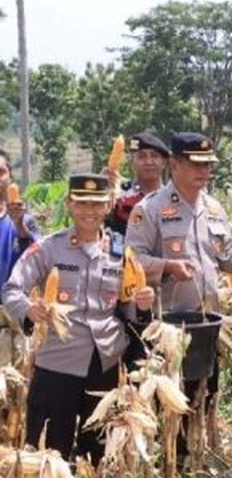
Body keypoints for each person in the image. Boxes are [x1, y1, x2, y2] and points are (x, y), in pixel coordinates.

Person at [125, 133, 232, 448]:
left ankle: (195, 456)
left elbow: (226, 257)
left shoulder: (214, 208)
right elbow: (131, 261)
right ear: (174, 164)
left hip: (207, 322)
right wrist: (168, 266)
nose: (204, 171)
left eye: (208, 165)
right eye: (196, 163)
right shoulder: (150, 209)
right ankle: (167, 461)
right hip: (166, 325)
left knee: (204, 391)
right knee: (168, 397)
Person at [4, 174, 154, 461]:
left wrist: (143, 305)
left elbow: (129, 308)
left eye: (97, 204)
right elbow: (12, 288)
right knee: (48, 449)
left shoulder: (121, 252)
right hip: (58, 360)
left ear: (109, 206)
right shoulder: (49, 248)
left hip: (105, 362)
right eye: (82, 203)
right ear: (69, 205)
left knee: (98, 450)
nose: (90, 211)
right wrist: (28, 309)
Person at [105, 132, 171, 237]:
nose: (149, 161)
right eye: (142, 156)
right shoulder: (119, 194)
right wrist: (102, 191)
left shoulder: (173, 198)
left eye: (154, 156)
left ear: (164, 162)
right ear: (131, 162)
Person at [0, 152, 39, 283]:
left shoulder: (26, 221)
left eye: (1, 172)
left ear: (9, 177)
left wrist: (19, 224)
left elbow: (38, 254)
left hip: (10, 301)